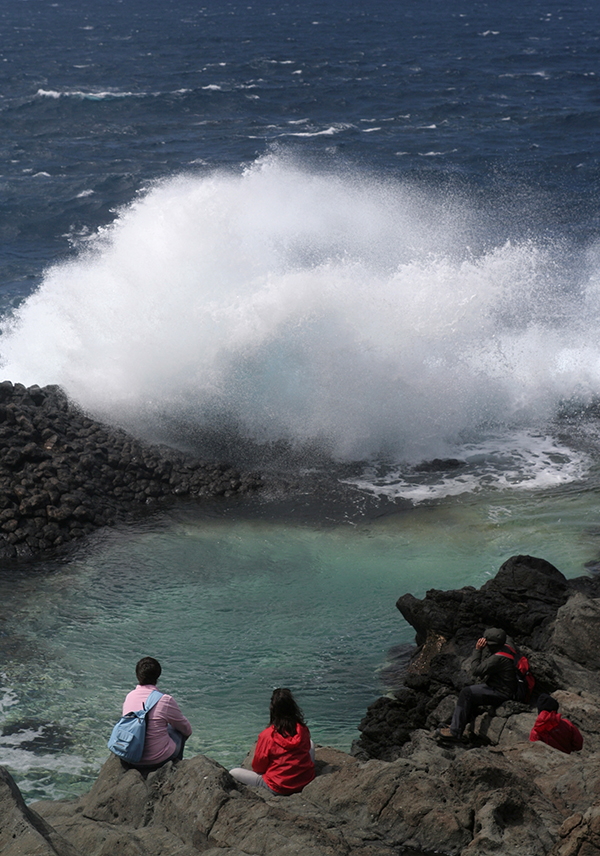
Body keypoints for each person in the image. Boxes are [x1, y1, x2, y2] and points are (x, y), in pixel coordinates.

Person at [229, 688, 315, 795]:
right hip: (305, 781)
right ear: (293, 708)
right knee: (311, 743)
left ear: (273, 711)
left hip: (278, 787)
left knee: (233, 772)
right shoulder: (302, 729)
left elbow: (258, 768)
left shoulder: (267, 735)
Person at [437, 628, 518, 741]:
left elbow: (475, 670)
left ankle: (455, 731)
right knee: (471, 694)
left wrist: (478, 650)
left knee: (466, 693)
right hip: (506, 687)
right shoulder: (508, 645)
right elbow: (507, 637)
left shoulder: (497, 659)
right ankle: (460, 726)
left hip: (502, 692)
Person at [121, 656, 192, 769]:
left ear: (137, 675)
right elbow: (186, 729)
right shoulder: (165, 700)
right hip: (156, 759)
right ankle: (176, 768)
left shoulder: (129, 696)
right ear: (158, 676)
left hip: (131, 756)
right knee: (178, 730)